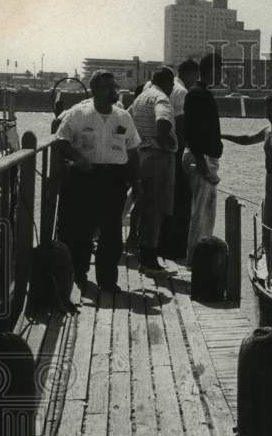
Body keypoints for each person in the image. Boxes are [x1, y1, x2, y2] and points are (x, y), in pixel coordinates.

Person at [54, 70, 141, 293]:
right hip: (85, 177)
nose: (115, 91)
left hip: (114, 178)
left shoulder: (123, 117)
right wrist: (78, 159)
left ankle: (108, 280)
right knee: (82, 229)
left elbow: (132, 150)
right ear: (96, 90)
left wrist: (136, 180)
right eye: (109, 87)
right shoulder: (78, 114)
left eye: (114, 86)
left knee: (111, 231)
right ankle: (80, 276)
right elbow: (61, 142)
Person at [222, 94, 272, 284]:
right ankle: (271, 268)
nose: (269, 113)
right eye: (267, 109)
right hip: (269, 179)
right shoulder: (267, 130)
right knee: (267, 225)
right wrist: (223, 135)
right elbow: (247, 139)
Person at [129, 67, 178, 276]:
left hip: (141, 156)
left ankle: (143, 256)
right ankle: (150, 261)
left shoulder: (141, 98)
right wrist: (168, 145)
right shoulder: (161, 98)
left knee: (144, 206)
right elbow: (162, 122)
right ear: (170, 84)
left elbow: (127, 117)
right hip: (158, 157)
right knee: (156, 210)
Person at [183, 53, 224, 263]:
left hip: (204, 158)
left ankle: (196, 256)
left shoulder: (201, 93)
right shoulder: (197, 95)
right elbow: (191, 131)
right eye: (220, 70)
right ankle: (195, 259)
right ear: (212, 70)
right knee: (200, 214)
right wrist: (202, 164)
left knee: (204, 214)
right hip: (202, 159)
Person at [158, 58, 199, 261]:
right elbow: (181, 126)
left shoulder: (165, 87)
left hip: (161, 149)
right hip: (175, 149)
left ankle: (160, 244)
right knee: (180, 200)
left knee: (164, 199)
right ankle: (175, 248)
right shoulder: (182, 92)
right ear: (190, 74)